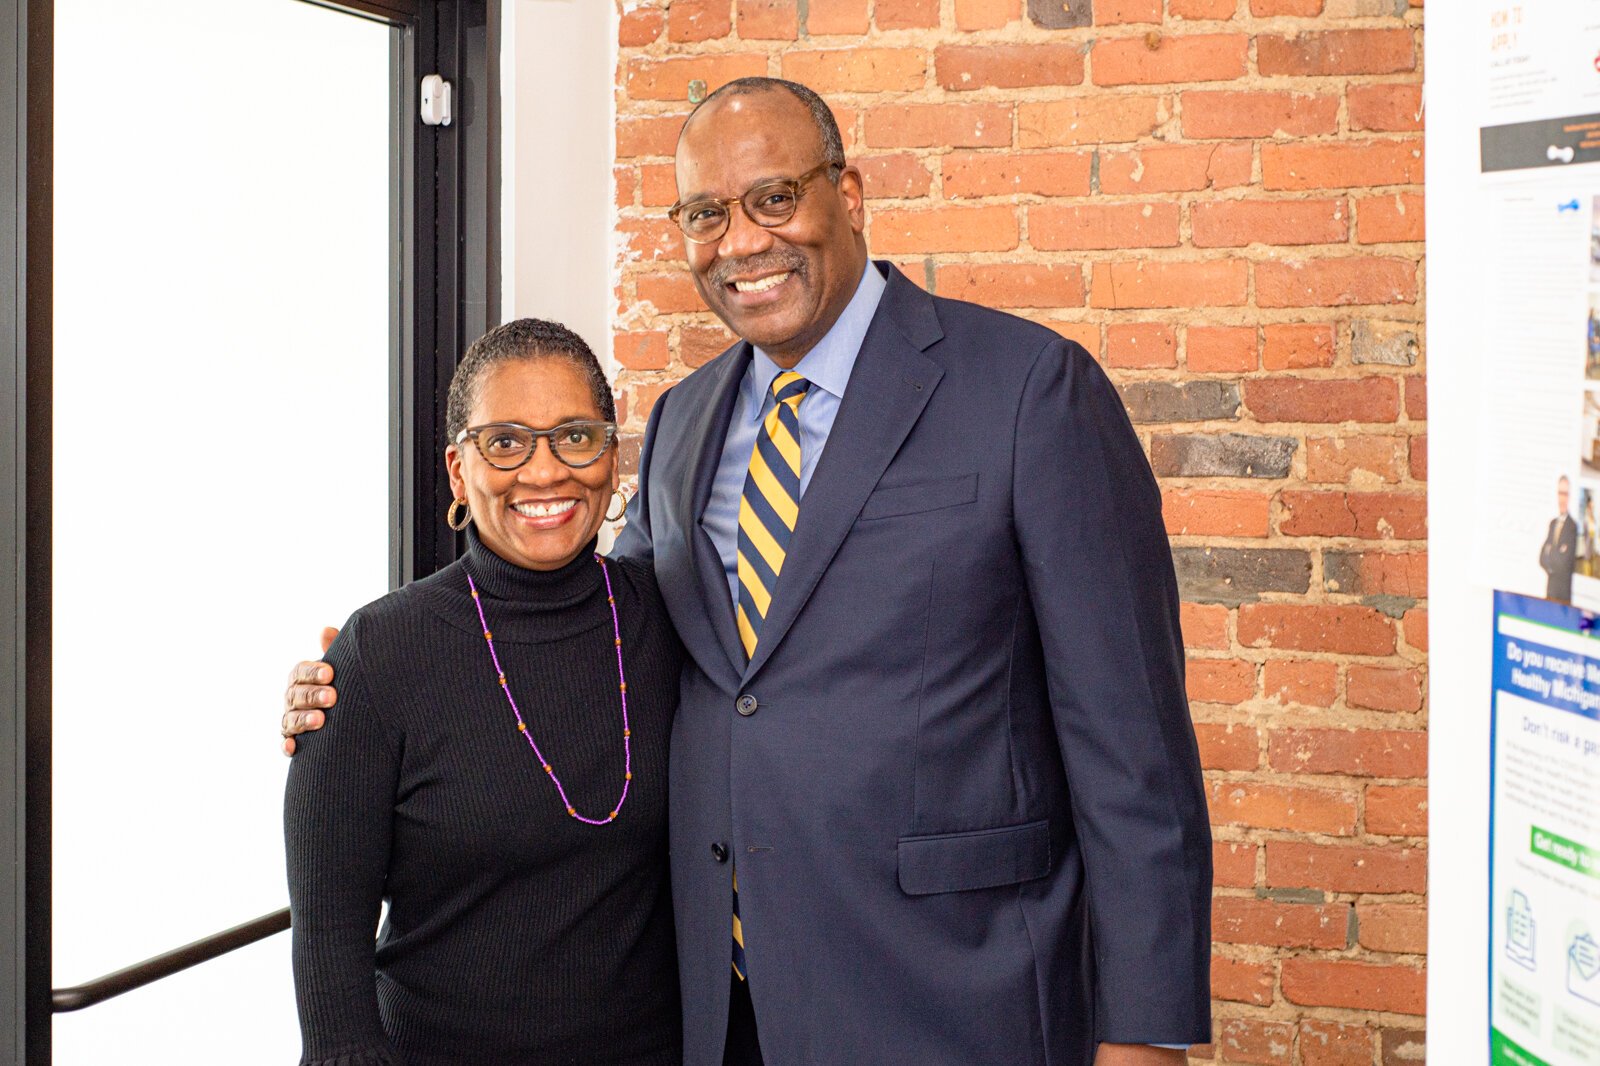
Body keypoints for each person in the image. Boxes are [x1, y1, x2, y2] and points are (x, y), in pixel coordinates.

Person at [286, 79, 1210, 1066]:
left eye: (774, 198)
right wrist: (368, 683)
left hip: (952, 996)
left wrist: (1143, 1035)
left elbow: (1134, 751)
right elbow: (608, 631)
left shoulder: (1029, 390)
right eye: (705, 214)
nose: (741, 242)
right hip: (716, 1010)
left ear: (847, 194)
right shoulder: (686, 420)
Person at [284, 319, 682, 1066]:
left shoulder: (672, 618)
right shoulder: (379, 654)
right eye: (505, 442)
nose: (544, 471)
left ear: (611, 455)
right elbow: (331, 966)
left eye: (575, 436)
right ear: (458, 471)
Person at [1541, 475, 1578, 602]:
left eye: (1565, 494)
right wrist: (1557, 553)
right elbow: (1542, 558)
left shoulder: (1572, 527)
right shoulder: (1553, 524)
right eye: (1560, 493)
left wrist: (1551, 553)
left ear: (1570, 496)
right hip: (1549, 592)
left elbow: (1565, 562)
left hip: (1563, 596)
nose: (1562, 498)